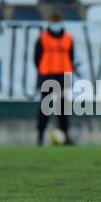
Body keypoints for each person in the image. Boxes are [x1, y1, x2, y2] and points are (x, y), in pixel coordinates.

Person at [34, 12, 75, 146]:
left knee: (63, 108)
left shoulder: (68, 39)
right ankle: (40, 136)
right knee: (45, 107)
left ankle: (64, 136)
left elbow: (71, 57)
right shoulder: (42, 38)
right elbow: (37, 59)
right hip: (47, 76)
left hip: (63, 77)